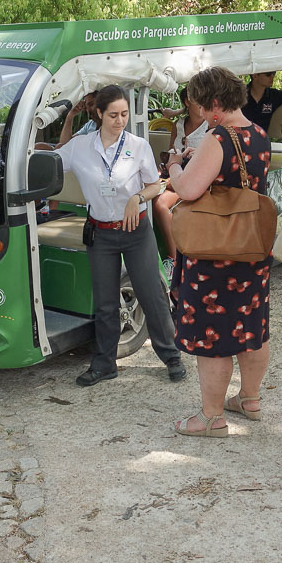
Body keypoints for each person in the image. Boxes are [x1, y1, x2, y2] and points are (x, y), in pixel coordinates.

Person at [54, 85, 187, 386]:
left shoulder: (138, 146)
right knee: (104, 302)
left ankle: (172, 356)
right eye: (113, 115)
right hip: (100, 233)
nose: (120, 120)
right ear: (98, 114)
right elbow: (51, 162)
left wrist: (137, 198)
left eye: (124, 114)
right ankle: (104, 363)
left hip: (136, 231)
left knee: (152, 294)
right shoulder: (81, 146)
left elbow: (157, 185)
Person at [166, 67, 272, 437]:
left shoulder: (218, 137)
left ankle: (211, 417)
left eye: (199, 104)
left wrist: (176, 165)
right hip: (250, 247)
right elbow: (237, 178)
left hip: (216, 253)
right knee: (251, 325)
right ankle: (249, 398)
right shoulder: (258, 134)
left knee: (212, 335)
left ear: (213, 104)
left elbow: (189, 190)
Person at [155, 88, 208, 277]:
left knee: (161, 203)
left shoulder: (211, 127)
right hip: (176, 175)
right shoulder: (178, 125)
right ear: (187, 102)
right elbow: (171, 153)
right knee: (153, 198)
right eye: (198, 100)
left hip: (197, 180)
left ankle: (174, 258)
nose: (202, 105)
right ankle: (166, 256)